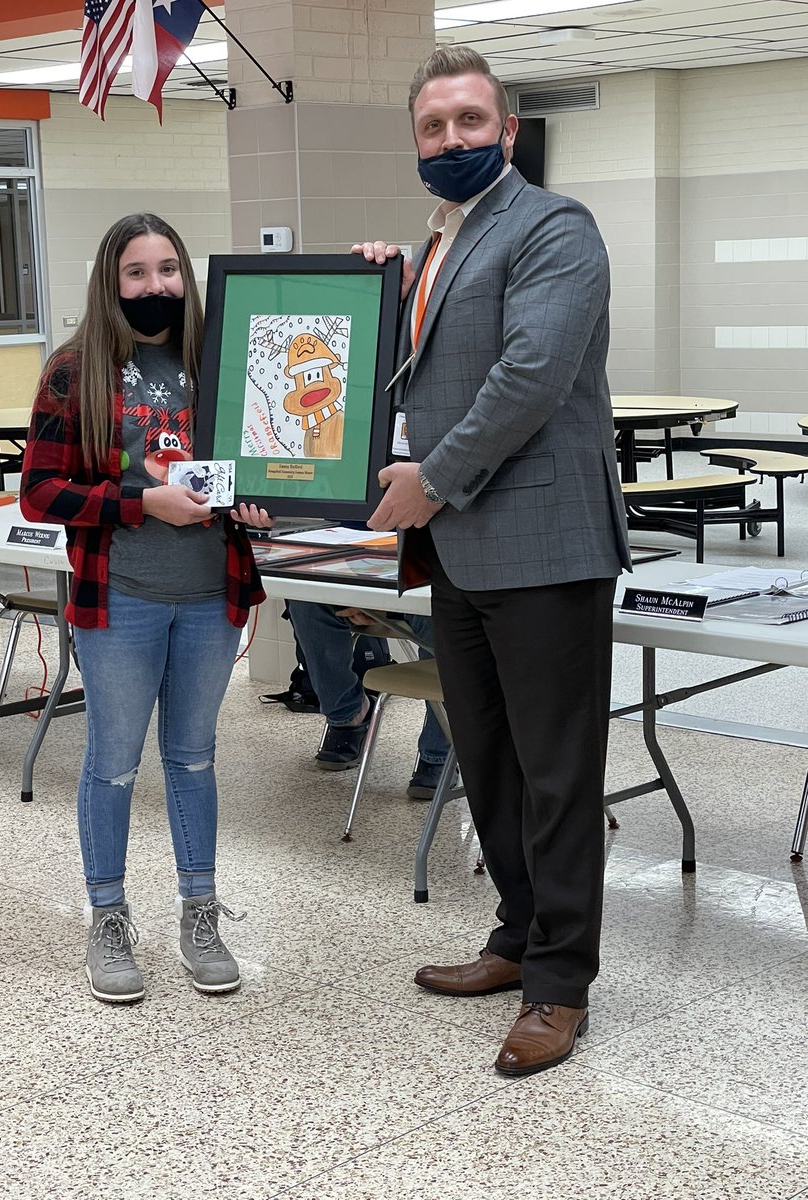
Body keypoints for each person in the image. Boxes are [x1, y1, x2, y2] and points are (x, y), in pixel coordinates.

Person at [355, 47, 631, 1077]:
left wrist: (432, 479)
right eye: (433, 126)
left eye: (471, 121)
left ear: (507, 131)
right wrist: (376, 294)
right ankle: (517, 936)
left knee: (557, 773)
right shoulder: (439, 243)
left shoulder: (554, 227)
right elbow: (425, 372)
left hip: (545, 543)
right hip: (462, 552)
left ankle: (561, 984)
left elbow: (530, 375)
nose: (452, 139)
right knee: (490, 761)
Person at [20, 213, 271, 1004]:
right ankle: (107, 918)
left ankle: (201, 914)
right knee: (115, 761)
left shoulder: (220, 359)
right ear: (112, 281)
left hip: (211, 597)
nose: (155, 285)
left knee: (194, 758)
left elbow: (261, 461)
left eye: (168, 269)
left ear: (185, 278)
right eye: (137, 272)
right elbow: (41, 491)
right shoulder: (74, 370)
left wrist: (262, 499)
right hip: (120, 597)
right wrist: (140, 503)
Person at [285, 600, 453, 797]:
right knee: (306, 604)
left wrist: (382, 604)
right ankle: (348, 715)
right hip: (368, 590)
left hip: (425, 593)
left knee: (445, 612)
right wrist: (361, 597)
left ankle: (440, 753)